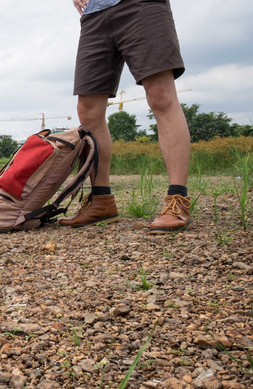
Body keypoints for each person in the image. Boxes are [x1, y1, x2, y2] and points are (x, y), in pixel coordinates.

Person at [60, 0, 191, 234]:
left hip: (141, 5)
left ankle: (177, 199)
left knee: (160, 95)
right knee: (88, 110)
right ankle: (101, 201)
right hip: (95, 13)